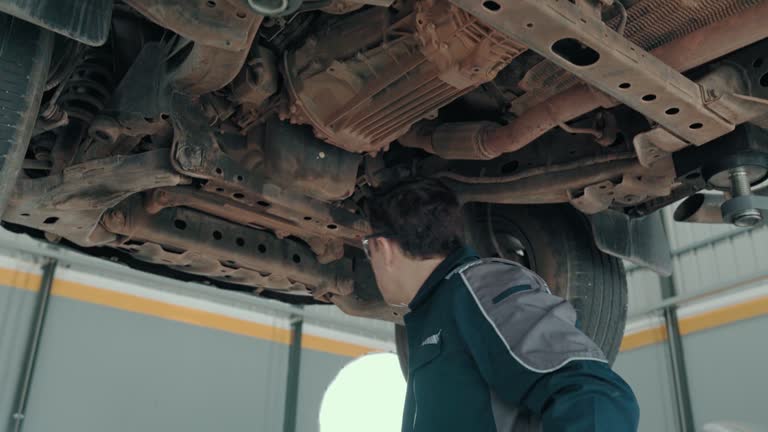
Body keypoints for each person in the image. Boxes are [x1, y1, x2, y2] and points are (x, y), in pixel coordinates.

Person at [363, 178, 639, 432]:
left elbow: (594, 398)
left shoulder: (478, 289)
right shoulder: (436, 313)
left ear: (383, 248)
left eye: (367, 250)